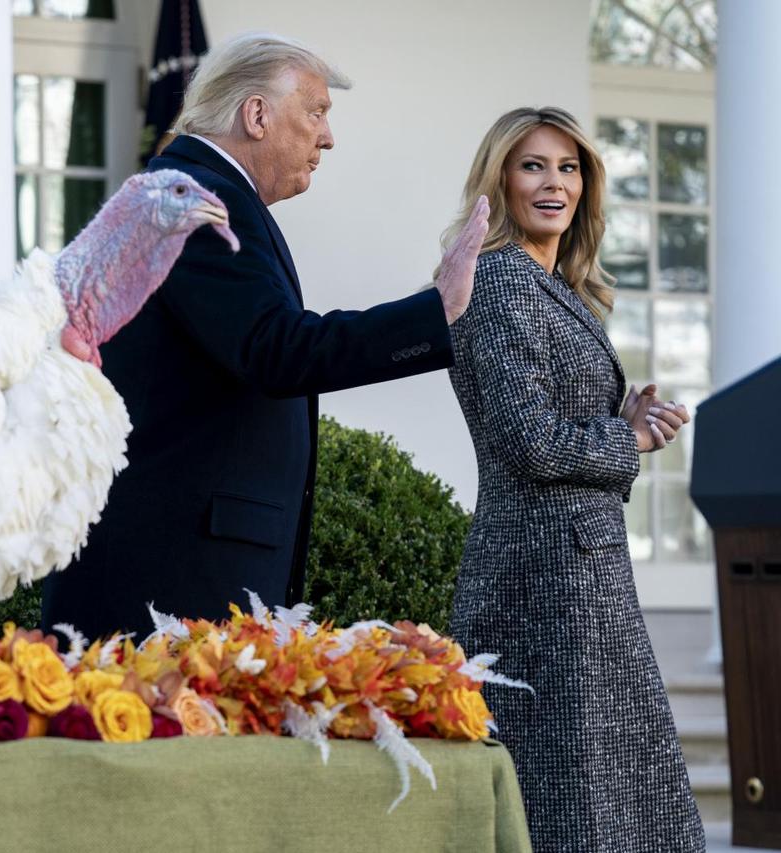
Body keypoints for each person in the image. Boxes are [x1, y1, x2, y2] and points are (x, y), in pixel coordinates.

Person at [40, 32, 490, 641]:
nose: (327, 136)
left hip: (188, 562)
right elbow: (275, 350)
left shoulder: (202, 191)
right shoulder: (195, 198)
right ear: (257, 114)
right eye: (317, 112)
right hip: (175, 574)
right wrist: (433, 311)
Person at [444, 106, 704, 851]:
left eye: (569, 167)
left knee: (608, 799)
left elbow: (549, 419)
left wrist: (620, 412)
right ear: (500, 179)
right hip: (543, 580)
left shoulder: (557, 286)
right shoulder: (498, 280)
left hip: (577, 574)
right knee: (571, 805)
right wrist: (624, 436)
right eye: (533, 165)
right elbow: (529, 441)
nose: (554, 182)